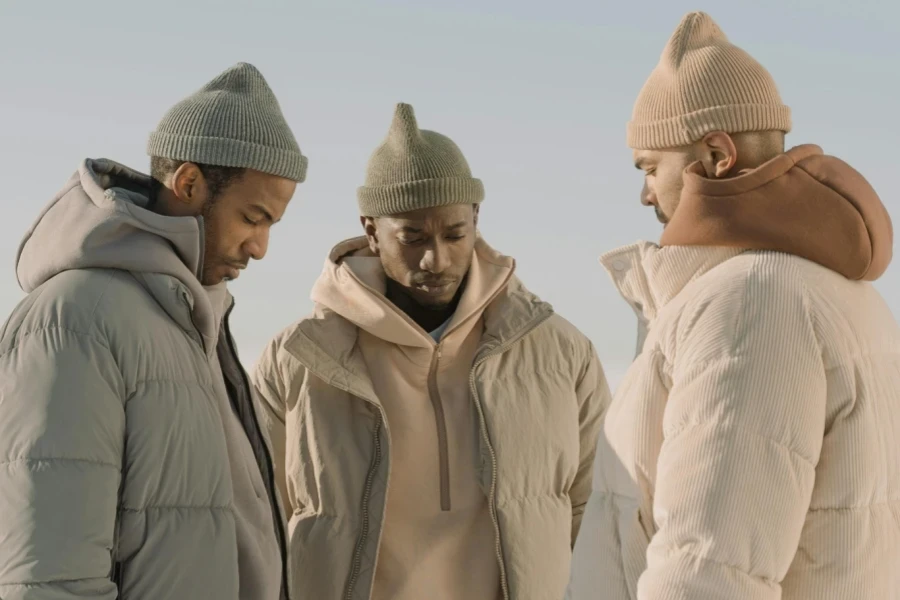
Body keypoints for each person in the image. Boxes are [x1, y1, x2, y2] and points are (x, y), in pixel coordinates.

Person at [568, 11, 898, 600]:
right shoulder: (842, 291)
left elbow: (709, 570)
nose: (645, 191)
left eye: (650, 166)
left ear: (717, 154)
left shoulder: (751, 306)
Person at [251, 102, 611, 600]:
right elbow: (260, 514)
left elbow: (592, 508)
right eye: (412, 236)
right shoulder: (298, 358)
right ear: (372, 230)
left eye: (454, 234)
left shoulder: (560, 352)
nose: (434, 258)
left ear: (476, 220)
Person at [0, 62, 308, 600]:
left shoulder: (193, 317)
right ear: (189, 183)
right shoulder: (77, 317)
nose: (260, 247)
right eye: (252, 218)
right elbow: (48, 573)